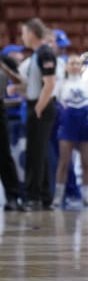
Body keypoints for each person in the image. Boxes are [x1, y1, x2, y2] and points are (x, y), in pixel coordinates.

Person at [21, 18, 58, 211]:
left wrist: (38, 107)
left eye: (24, 33)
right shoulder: (38, 54)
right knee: (39, 154)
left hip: (41, 107)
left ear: (32, 33)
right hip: (37, 104)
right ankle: (44, 196)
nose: (23, 37)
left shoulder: (45, 52)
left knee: (36, 154)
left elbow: (50, 83)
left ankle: (33, 197)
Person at [52, 55, 88, 208]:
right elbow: (55, 103)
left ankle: (86, 195)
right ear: (66, 66)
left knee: (86, 162)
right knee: (64, 162)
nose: (75, 65)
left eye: (78, 63)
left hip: (84, 125)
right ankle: (58, 195)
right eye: (72, 63)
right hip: (68, 126)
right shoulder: (60, 84)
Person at [0, 52, 25, 210]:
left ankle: (13, 196)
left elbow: (20, 82)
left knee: (4, 154)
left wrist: (6, 69)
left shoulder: (4, 60)